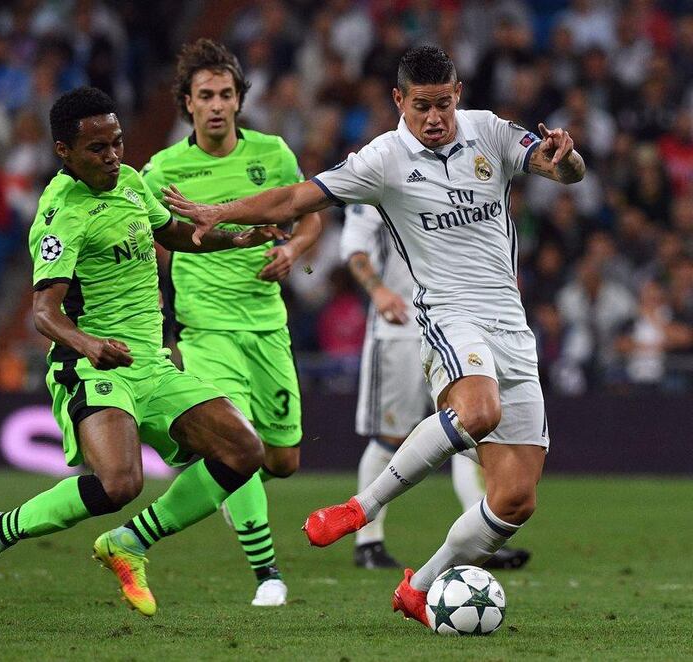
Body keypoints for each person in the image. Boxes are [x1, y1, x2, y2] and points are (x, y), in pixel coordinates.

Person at [163, 45, 585, 628]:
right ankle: (362, 508)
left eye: (443, 104)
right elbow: (293, 199)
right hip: (445, 312)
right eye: (421, 106)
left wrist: (567, 159)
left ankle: (423, 586)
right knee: (478, 410)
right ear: (398, 101)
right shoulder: (384, 158)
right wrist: (218, 212)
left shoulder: (489, 133)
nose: (434, 118)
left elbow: (560, 169)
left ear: (458, 94)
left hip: (511, 322)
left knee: (515, 498)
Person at [0, 86, 287, 617]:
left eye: (117, 144)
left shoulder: (130, 183)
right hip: (90, 364)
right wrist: (90, 344)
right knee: (120, 482)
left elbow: (171, 232)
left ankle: (130, 544)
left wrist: (237, 239)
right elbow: (43, 312)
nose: (113, 157)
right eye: (97, 149)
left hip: (150, 361)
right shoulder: (60, 214)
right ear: (65, 152)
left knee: (244, 450)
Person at [141, 39, 321, 607]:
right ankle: (267, 574)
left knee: (282, 461)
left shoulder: (273, 154)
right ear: (186, 105)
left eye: (225, 94)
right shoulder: (163, 171)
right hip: (206, 329)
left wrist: (294, 252)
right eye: (204, 96)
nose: (216, 105)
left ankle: (214, 486)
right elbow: (152, 247)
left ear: (240, 100)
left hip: (268, 325)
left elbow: (309, 217)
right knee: (235, 444)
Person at [341, 203, 530, 570]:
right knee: (390, 437)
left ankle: (480, 540)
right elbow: (353, 246)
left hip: (456, 326)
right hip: (399, 329)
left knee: (467, 427)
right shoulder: (375, 175)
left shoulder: (454, 176)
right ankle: (368, 541)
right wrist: (378, 291)